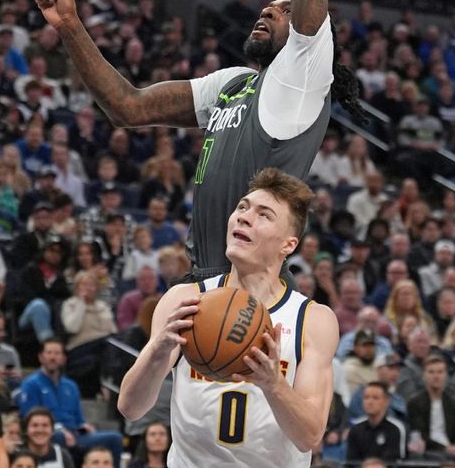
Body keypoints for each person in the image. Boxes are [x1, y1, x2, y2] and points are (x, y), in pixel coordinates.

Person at [32, 0, 365, 281]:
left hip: (251, 286)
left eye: (286, 10)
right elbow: (127, 107)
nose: (268, 11)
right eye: (269, 7)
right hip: (202, 281)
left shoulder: (301, 78)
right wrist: (69, 26)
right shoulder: (230, 85)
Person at [117, 168, 339, 466]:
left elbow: (309, 437)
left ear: (289, 244)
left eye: (264, 215)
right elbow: (130, 408)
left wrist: (274, 385)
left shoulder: (313, 320)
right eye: (242, 208)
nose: (244, 217)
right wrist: (158, 350)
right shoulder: (184, 300)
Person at [17, 339, 123, 467]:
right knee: (59, 436)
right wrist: (59, 429)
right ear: (41, 357)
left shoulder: (71, 386)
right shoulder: (31, 384)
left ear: (63, 359)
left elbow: (79, 418)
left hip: (76, 435)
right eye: (49, 353)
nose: (53, 357)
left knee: (115, 438)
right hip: (50, 434)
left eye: (57, 354)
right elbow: (29, 418)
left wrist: (84, 426)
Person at [406, 355, 455, 464]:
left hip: (450, 449)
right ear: (424, 375)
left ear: (445, 375)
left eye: (440, 372)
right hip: (428, 450)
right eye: (431, 372)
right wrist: (446, 448)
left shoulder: (452, 402)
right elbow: (420, 435)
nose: (436, 376)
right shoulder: (414, 402)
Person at [346, 382, 407, 464]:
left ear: (386, 401)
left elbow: (394, 463)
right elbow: (351, 462)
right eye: (366, 398)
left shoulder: (396, 429)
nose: (370, 402)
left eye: (375, 398)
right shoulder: (355, 429)